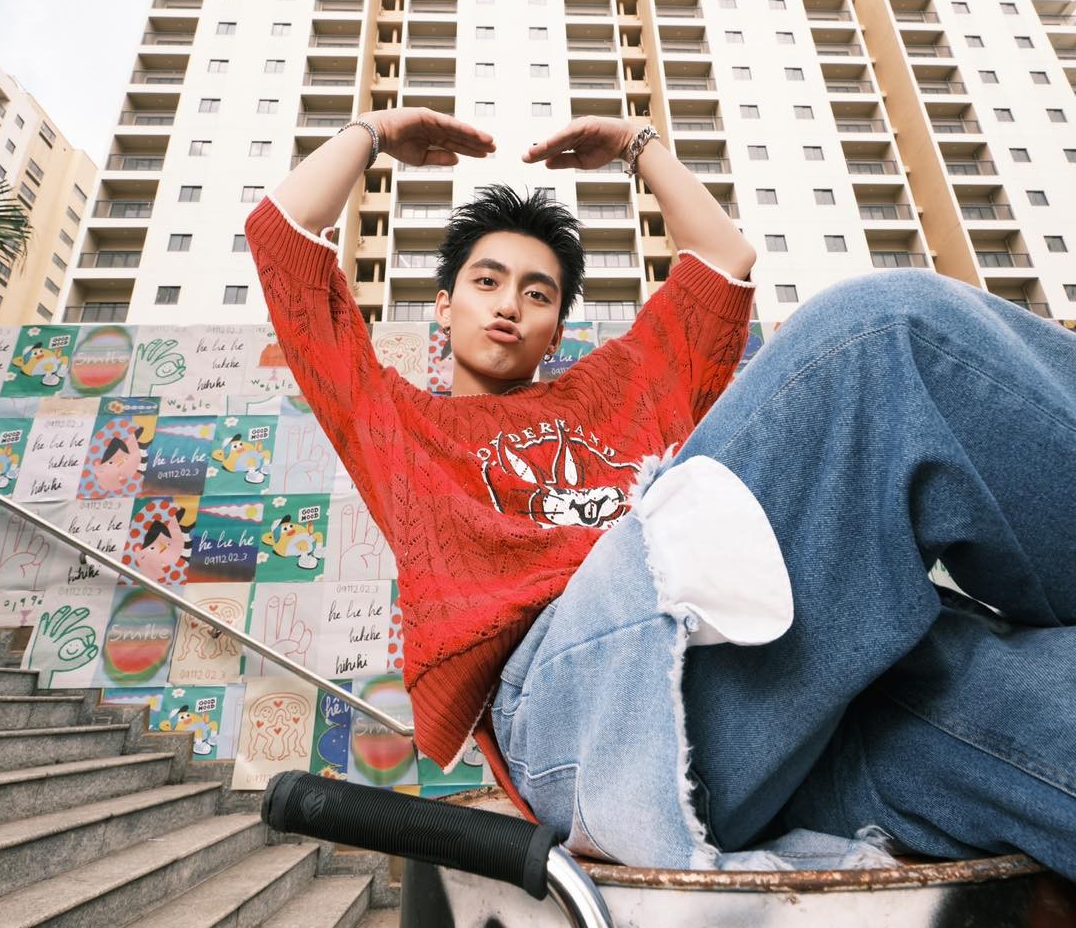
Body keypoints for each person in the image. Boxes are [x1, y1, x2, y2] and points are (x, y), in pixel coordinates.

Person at [245, 106, 1076, 880]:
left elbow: (724, 260)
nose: (509, 306)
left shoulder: (616, 392)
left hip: (753, 700)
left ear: (556, 328)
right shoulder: (398, 427)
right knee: (883, 330)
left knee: (1030, 702)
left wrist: (636, 146)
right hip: (574, 714)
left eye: (537, 293)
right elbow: (281, 237)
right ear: (444, 305)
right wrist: (373, 131)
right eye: (486, 282)